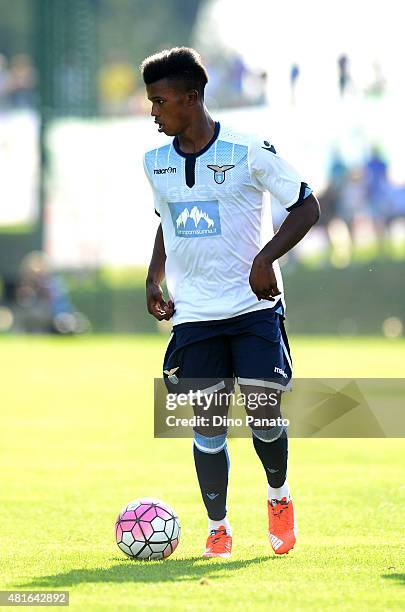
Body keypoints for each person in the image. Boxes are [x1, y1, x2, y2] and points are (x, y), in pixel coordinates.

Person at [141, 47, 320, 558]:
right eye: (151, 102)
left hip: (254, 311)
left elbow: (306, 205)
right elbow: (167, 220)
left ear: (192, 98)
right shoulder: (155, 163)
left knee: (264, 414)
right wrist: (156, 276)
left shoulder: (248, 150)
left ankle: (279, 499)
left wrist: (266, 258)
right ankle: (218, 527)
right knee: (209, 425)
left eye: (161, 101)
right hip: (195, 317)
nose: (154, 112)